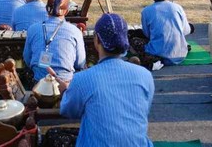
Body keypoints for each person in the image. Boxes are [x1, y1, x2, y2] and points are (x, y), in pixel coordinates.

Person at [58, 13, 154, 147]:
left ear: (96, 40)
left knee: (54, 136)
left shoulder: (83, 79)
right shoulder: (145, 75)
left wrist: (65, 93)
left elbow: (68, 111)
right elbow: (142, 110)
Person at [23, 0, 85, 82]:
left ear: (46, 9)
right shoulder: (75, 31)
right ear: (67, 11)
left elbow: (27, 58)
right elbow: (80, 63)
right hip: (65, 84)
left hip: (39, 84)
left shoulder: (33, 29)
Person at [140, 0, 191, 66]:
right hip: (181, 54)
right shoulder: (177, 7)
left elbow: (147, 34)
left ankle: (153, 59)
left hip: (158, 54)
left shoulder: (146, 11)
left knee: (133, 39)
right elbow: (185, 31)